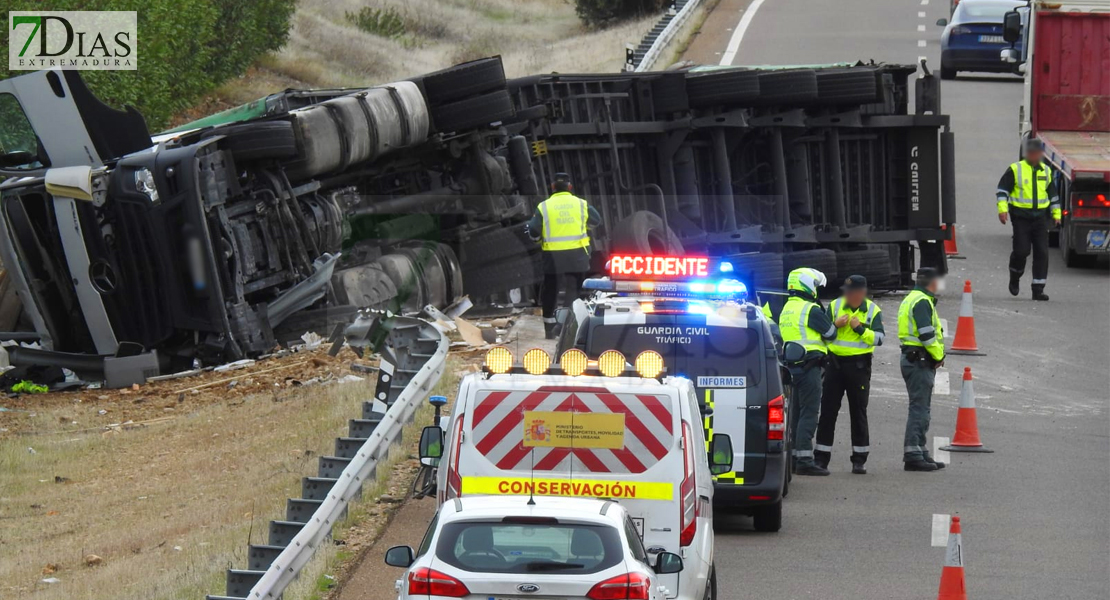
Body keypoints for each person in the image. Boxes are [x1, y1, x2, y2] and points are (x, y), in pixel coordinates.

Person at [814, 275, 884, 475]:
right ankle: (821, 458)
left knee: (858, 412)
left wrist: (860, 329)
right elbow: (823, 334)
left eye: (851, 291)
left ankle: (859, 460)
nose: (847, 294)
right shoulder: (835, 306)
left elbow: (879, 339)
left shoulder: (872, 310)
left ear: (861, 292)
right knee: (828, 411)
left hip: (859, 367)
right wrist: (835, 325)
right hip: (834, 365)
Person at [779, 267, 837, 476]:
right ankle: (805, 459)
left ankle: (794, 456)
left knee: (795, 413)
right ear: (807, 285)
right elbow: (830, 333)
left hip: (792, 368)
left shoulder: (788, 308)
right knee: (809, 412)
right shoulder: (810, 309)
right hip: (810, 366)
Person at [527, 173, 601, 338]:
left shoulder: (543, 207)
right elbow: (596, 221)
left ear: (552, 187)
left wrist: (538, 238)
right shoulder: (581, 204)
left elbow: (533, 232)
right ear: (569, 187)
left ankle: (549, 329)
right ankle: (565, 327)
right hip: (578, 256)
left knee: (551, 291)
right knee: (573, 292)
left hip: (553, 258)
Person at [996, 137, 1060, 301]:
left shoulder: (1046, 171)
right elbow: (1002, 191)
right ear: (1027, 153)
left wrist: (1056, 215)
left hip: (1040, 218)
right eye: (1031, 152)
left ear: (1040, 154)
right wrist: (1002, 211)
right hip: (1021, 218)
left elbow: (1053, 195)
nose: (1034, 155)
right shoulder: (1015, 169)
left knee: (1042, 253)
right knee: (1021, 251)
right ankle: (1015, 276)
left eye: (1037, 153)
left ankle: (1038, 289)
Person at [897, 267, 947, 472]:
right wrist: (939, 355)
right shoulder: (921, 302)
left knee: (921, 407)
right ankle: (913, 454)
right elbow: (927, 335)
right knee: (919, 408)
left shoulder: (914, 298)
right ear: (931, 282)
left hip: (914, 359)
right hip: (919, 360)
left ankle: (920, 449)